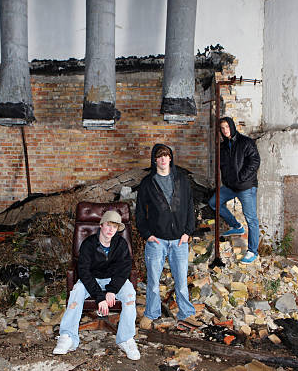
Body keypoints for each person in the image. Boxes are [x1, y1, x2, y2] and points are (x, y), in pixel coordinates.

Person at [53, 210, 140, 360]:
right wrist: (100, 297)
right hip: (92, 279)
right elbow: (84, 272)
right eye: (108, 225)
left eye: (114, 226)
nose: (110, 230)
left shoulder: (121, 244)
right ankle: (68, 337)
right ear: (101, 225)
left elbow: (124, 269)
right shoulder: (88, 244)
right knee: (76, 292)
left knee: (130, 294)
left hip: (114, 280)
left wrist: (112, 290)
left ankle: (126, 339)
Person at [135, 144, 200, 330]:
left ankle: (186, 314)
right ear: (155, 160)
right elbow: (140, 212)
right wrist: (147, 235)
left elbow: (189, 206)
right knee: (154, 281)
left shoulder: (182, 180)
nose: (163, 159)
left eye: (166, 156)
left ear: (171, 158)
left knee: (181, 281)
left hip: (179, 239)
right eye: (159, 156)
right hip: (157, 241)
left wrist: (188, 232)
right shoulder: (148, 183)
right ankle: (151, 313)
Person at [209, 117, 261, 264]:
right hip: (231, 186)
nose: (225, 130)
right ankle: (236, 226)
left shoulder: (246, 142)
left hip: (246, 186)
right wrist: (227, 180)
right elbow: (223, 166)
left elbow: (255, 161)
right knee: (214, 202)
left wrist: (241, 176)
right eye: (223, 128)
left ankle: (252, 251)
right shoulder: (223, 146)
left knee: (251, 218)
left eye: (227, 127)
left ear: (232, 126)